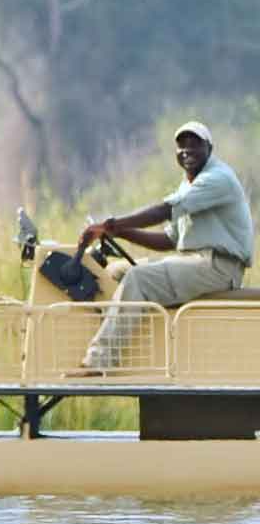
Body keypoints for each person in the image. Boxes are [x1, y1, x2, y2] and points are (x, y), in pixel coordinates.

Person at [66, 121, 253, 377]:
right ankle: (119, 341)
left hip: (218, 266)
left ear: (210, 147)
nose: (187, 150)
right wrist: (117, 232)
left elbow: (165, 212)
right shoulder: (189, 185)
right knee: (117, 270)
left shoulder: (216, 178)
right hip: (195, 262)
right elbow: (168, 240)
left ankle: (100, 359)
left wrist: (112, 223)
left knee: (139, 278)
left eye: (195, 144)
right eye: (181, 145)